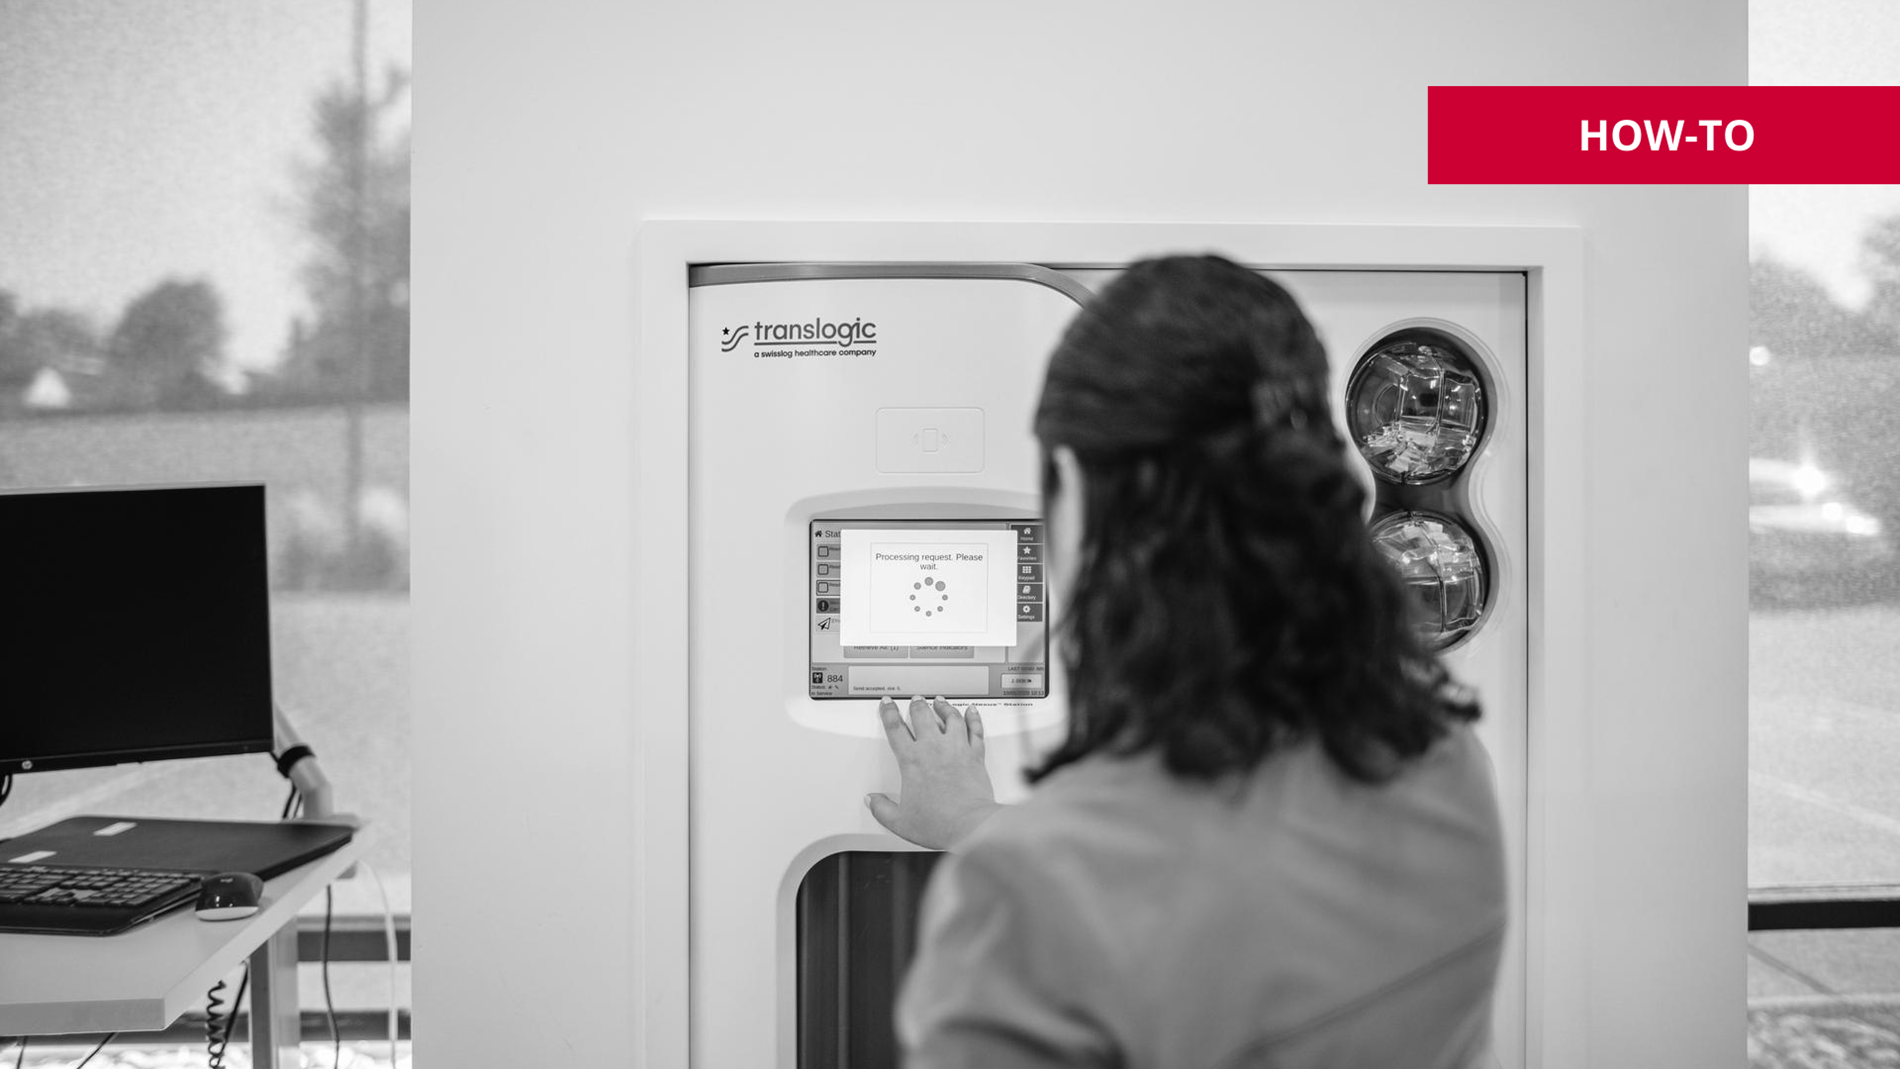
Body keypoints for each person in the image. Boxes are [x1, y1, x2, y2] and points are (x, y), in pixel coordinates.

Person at [865, 255, 1508, 1069]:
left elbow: (1149, 892)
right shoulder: (1447, 767)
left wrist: (987, 842)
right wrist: (981, 828)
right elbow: (1228, 893)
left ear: (1069, 484)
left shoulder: (1026, 902)